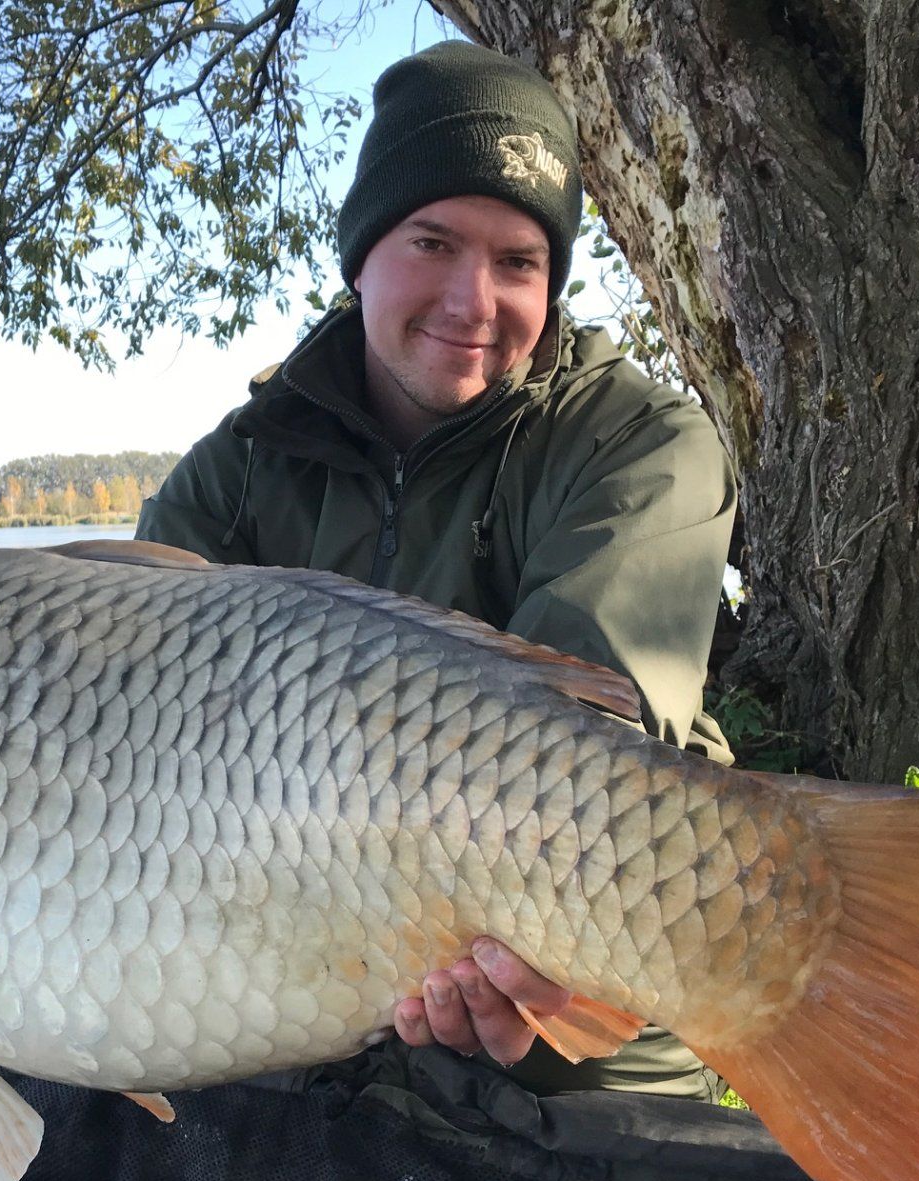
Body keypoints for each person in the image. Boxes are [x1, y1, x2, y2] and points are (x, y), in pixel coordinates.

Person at [136, 41, 737, 1101]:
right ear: (361, 255)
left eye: (519, 262)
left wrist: (493, 938)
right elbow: (122, 712)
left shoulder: (641, 442)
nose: (473, 299)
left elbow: (592, 744)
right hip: (297, 961)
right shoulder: (243, 463)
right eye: (432, 241)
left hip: (582, 982)